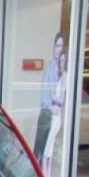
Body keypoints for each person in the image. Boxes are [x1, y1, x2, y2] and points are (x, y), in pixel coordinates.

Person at [32, 32, 65, 168]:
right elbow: (46, 99)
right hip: (47, 114)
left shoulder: (62, 71)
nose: (59, 49)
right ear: (54, 48)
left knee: (47, 154)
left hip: (53, 117)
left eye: (61, 46)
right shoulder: (51, 69)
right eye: (57, 46)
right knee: (39, 153)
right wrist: (53, 107)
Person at [42, 51, 67, 177]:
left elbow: (62, 100)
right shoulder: (60, 76)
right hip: (54, 117)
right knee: (49, 152)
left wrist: (53, 96)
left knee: (47, 152)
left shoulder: (65, 77)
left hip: (56, 119)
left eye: (63, 61)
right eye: (60, 61)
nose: (61, 63)